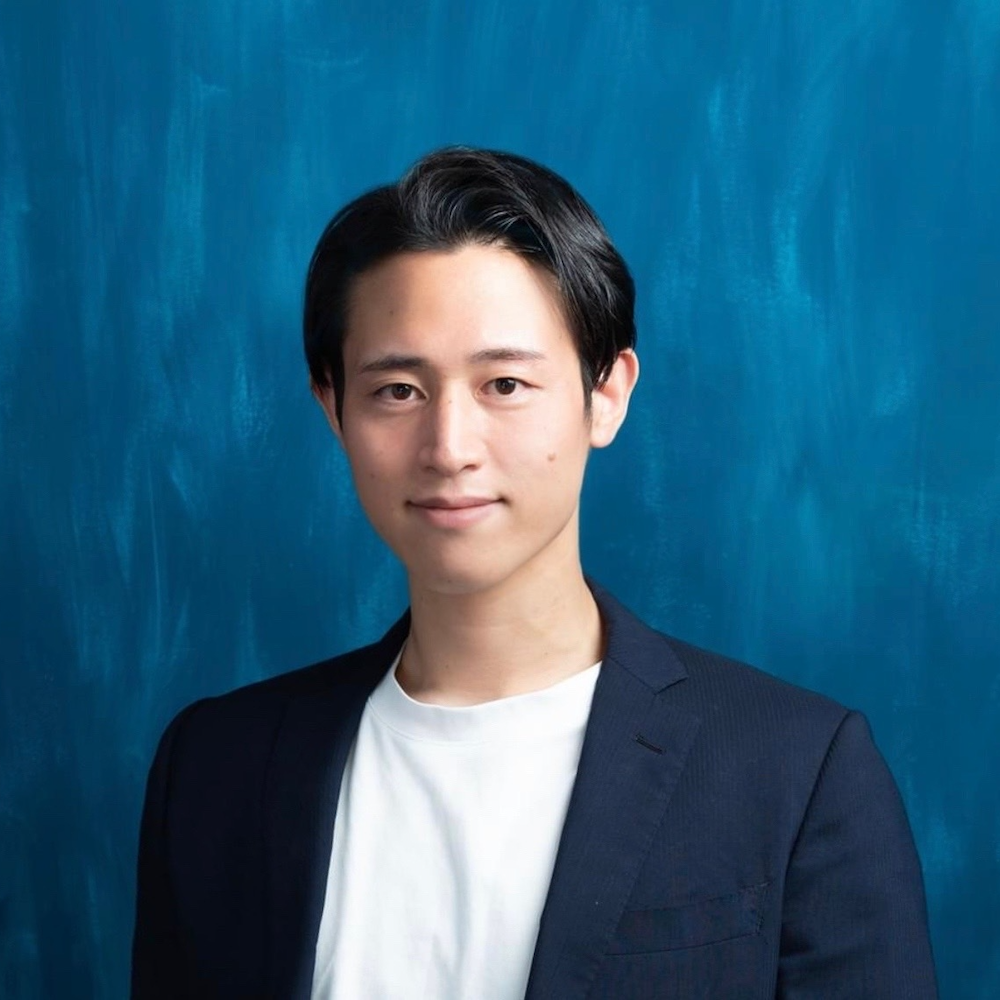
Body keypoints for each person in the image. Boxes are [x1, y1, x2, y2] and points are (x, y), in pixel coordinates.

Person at [131, 147, 938, 999]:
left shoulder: (798, 769)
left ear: (607, 394)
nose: (449, 449)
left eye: (506, 384)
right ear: (332, 406)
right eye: (398, 391)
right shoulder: (215, 767)